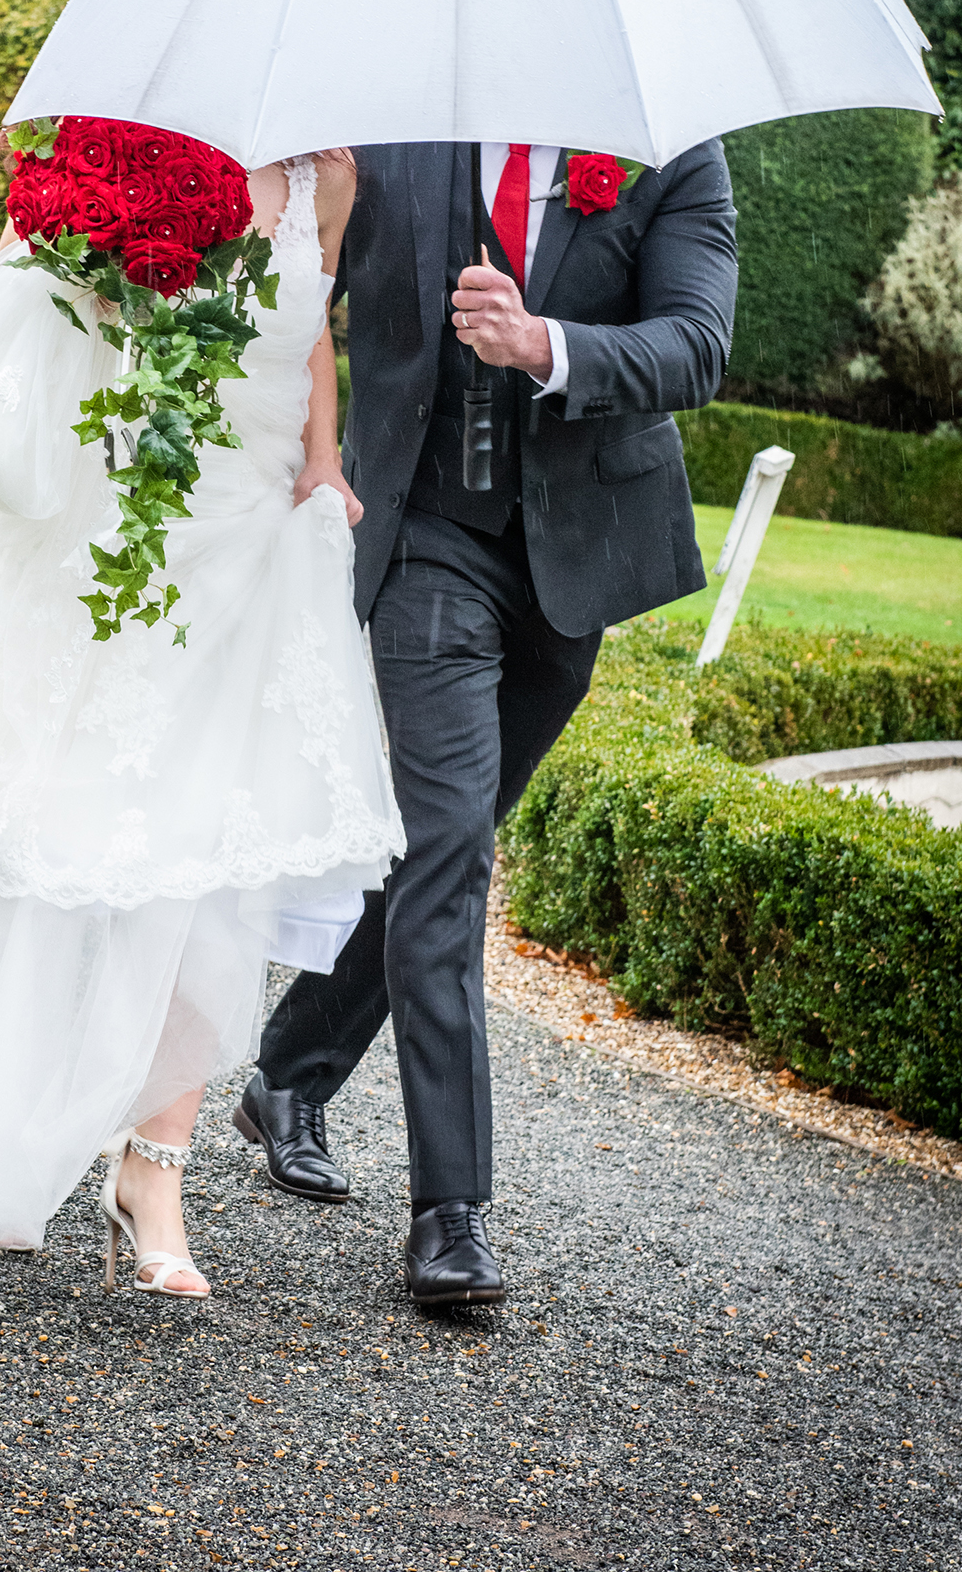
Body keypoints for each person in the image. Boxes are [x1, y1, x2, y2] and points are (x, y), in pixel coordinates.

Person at [0, 151, 401, 1294]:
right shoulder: (136, 135)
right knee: (55, 838)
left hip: (259, 535)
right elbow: (43, 297)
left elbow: (312, 325)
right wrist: (109, 280)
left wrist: (324, 460)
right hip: (128, 528)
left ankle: (152, 1170)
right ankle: (13, 1118)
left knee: (209, 858)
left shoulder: (332, 171)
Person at [231, 139, 734, 1309]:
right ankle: (450, 1214)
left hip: (573, 569)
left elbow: (696, 343)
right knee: (452, 849)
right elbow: (292, 292)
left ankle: (291, 1071)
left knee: (428, 852)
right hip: (422, 540)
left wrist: (542, 343)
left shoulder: (675, 155)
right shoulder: (397, 134)